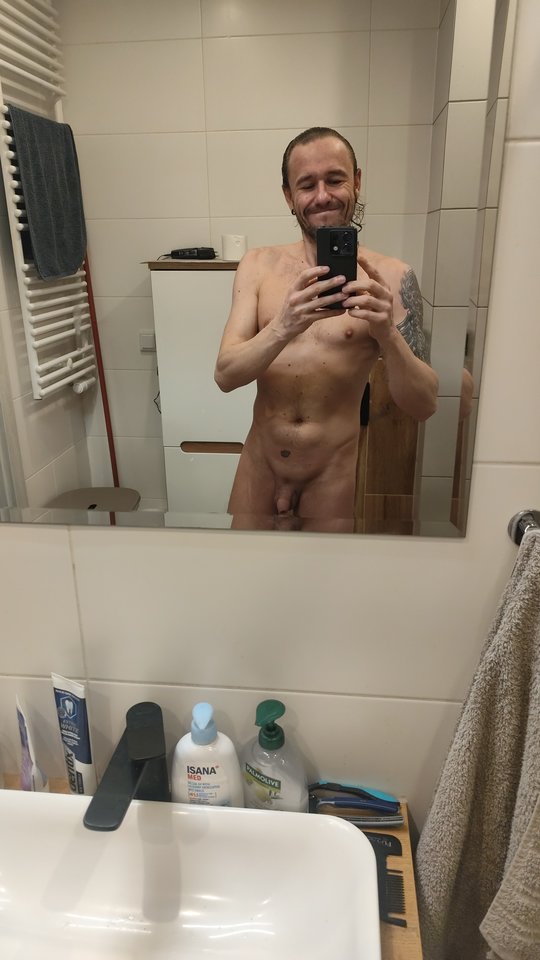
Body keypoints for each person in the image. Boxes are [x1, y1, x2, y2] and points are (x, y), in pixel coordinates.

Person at [214, 127, 439, 530]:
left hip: (331, 477)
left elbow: (424, 405)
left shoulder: (392, 277)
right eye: (307, 184)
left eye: (335, 179)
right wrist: (282, 326)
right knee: (240, 570)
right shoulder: (257, 266)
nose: (322, 196)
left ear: (356, 181)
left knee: (323, 575)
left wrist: (387, 334)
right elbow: (226, 375)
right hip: (258, 468)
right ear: (289, 195)